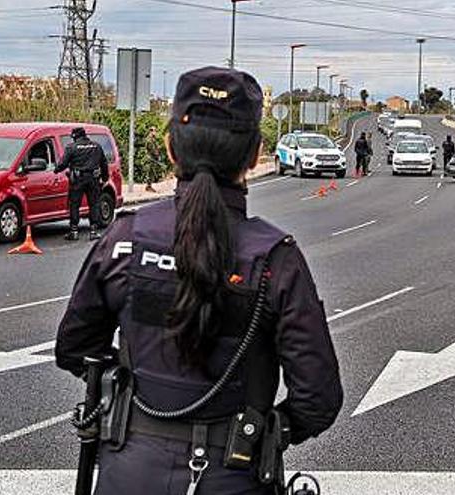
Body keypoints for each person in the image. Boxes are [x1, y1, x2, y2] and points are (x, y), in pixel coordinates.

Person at [55, 67, 343, 495]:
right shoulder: (276, 259)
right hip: (234, 473)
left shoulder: (126, 238)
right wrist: (265, 433)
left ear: (171, 147)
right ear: (254, 155)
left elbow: (76, 348)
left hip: (128, 471)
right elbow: (317, 399)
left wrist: (134, 395)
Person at [54, 127, 108, 241]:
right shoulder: (96, 146)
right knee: (94, 204)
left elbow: (63, 164)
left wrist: (56, 170)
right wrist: (105, 178)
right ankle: (93, 231)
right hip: (93, 179)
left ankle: (74, 231)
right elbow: (104, 163)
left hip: (78, 180)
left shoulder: (71, 147)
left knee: (75, 205)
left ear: (75, 137)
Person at [144, 126, 163, 193]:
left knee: (151, 173)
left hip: (152, 158)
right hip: (150, 159)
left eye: (156, 131)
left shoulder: (152, 139)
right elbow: (153, 150)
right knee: (149, 173)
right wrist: (158, 156)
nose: (155, 132)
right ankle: (148, 187)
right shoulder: (149, 140)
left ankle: (149, 186)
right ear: (151, 131)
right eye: (154, 131)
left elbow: (155, 148)